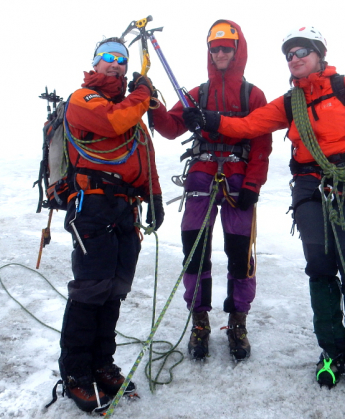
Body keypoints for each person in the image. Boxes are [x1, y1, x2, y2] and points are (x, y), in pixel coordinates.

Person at [182, 26, 345, 389]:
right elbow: (251, 125)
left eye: (302, 52)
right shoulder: (289, 101)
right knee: (320, 267)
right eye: (290, 55)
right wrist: (213, 121)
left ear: (319, 54)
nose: (295, 59)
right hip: (311, 187)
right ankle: (331, 352)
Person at [151, 20, 272, 362]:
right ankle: (199, 321)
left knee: (239, 255)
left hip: (237, 181)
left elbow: (262, 144)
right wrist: (155, 106)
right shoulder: (196, 95)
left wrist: (252, 185)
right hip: (202, 177)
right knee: (196, 252)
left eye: (226, 47)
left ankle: (237, 321)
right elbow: (171, 128)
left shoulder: (254, 96)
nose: (220, 53)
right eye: (215, 48)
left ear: (238, 50)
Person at [57, 36, 164, 413]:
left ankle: (101, 364)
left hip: (125, 208)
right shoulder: (83, 99)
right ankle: (75, 372)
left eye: (121, 59)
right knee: (90, 289)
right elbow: (114, 121)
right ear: (95, 63)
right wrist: (142, 93)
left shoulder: (129, 108)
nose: (115, 64)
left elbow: (144, 150)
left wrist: (154, 195)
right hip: (92, 204)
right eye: (107, 58)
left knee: (114, 290)